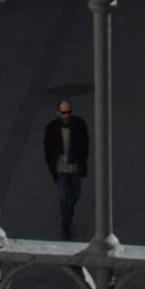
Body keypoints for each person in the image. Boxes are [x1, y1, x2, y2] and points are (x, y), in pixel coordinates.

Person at [43, 99, 89, 239]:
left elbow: (85, 141)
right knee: (63, 196)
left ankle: (69, 210)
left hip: (75, 167)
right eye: (63, 113)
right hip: (61, 168)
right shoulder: (52, 127)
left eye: (68, 112)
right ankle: (66, 222)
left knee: (76, 194)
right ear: (58, 112)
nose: (66, 115)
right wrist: (50, 163)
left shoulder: (79, 124)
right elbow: (47, 146)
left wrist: (82, 158)